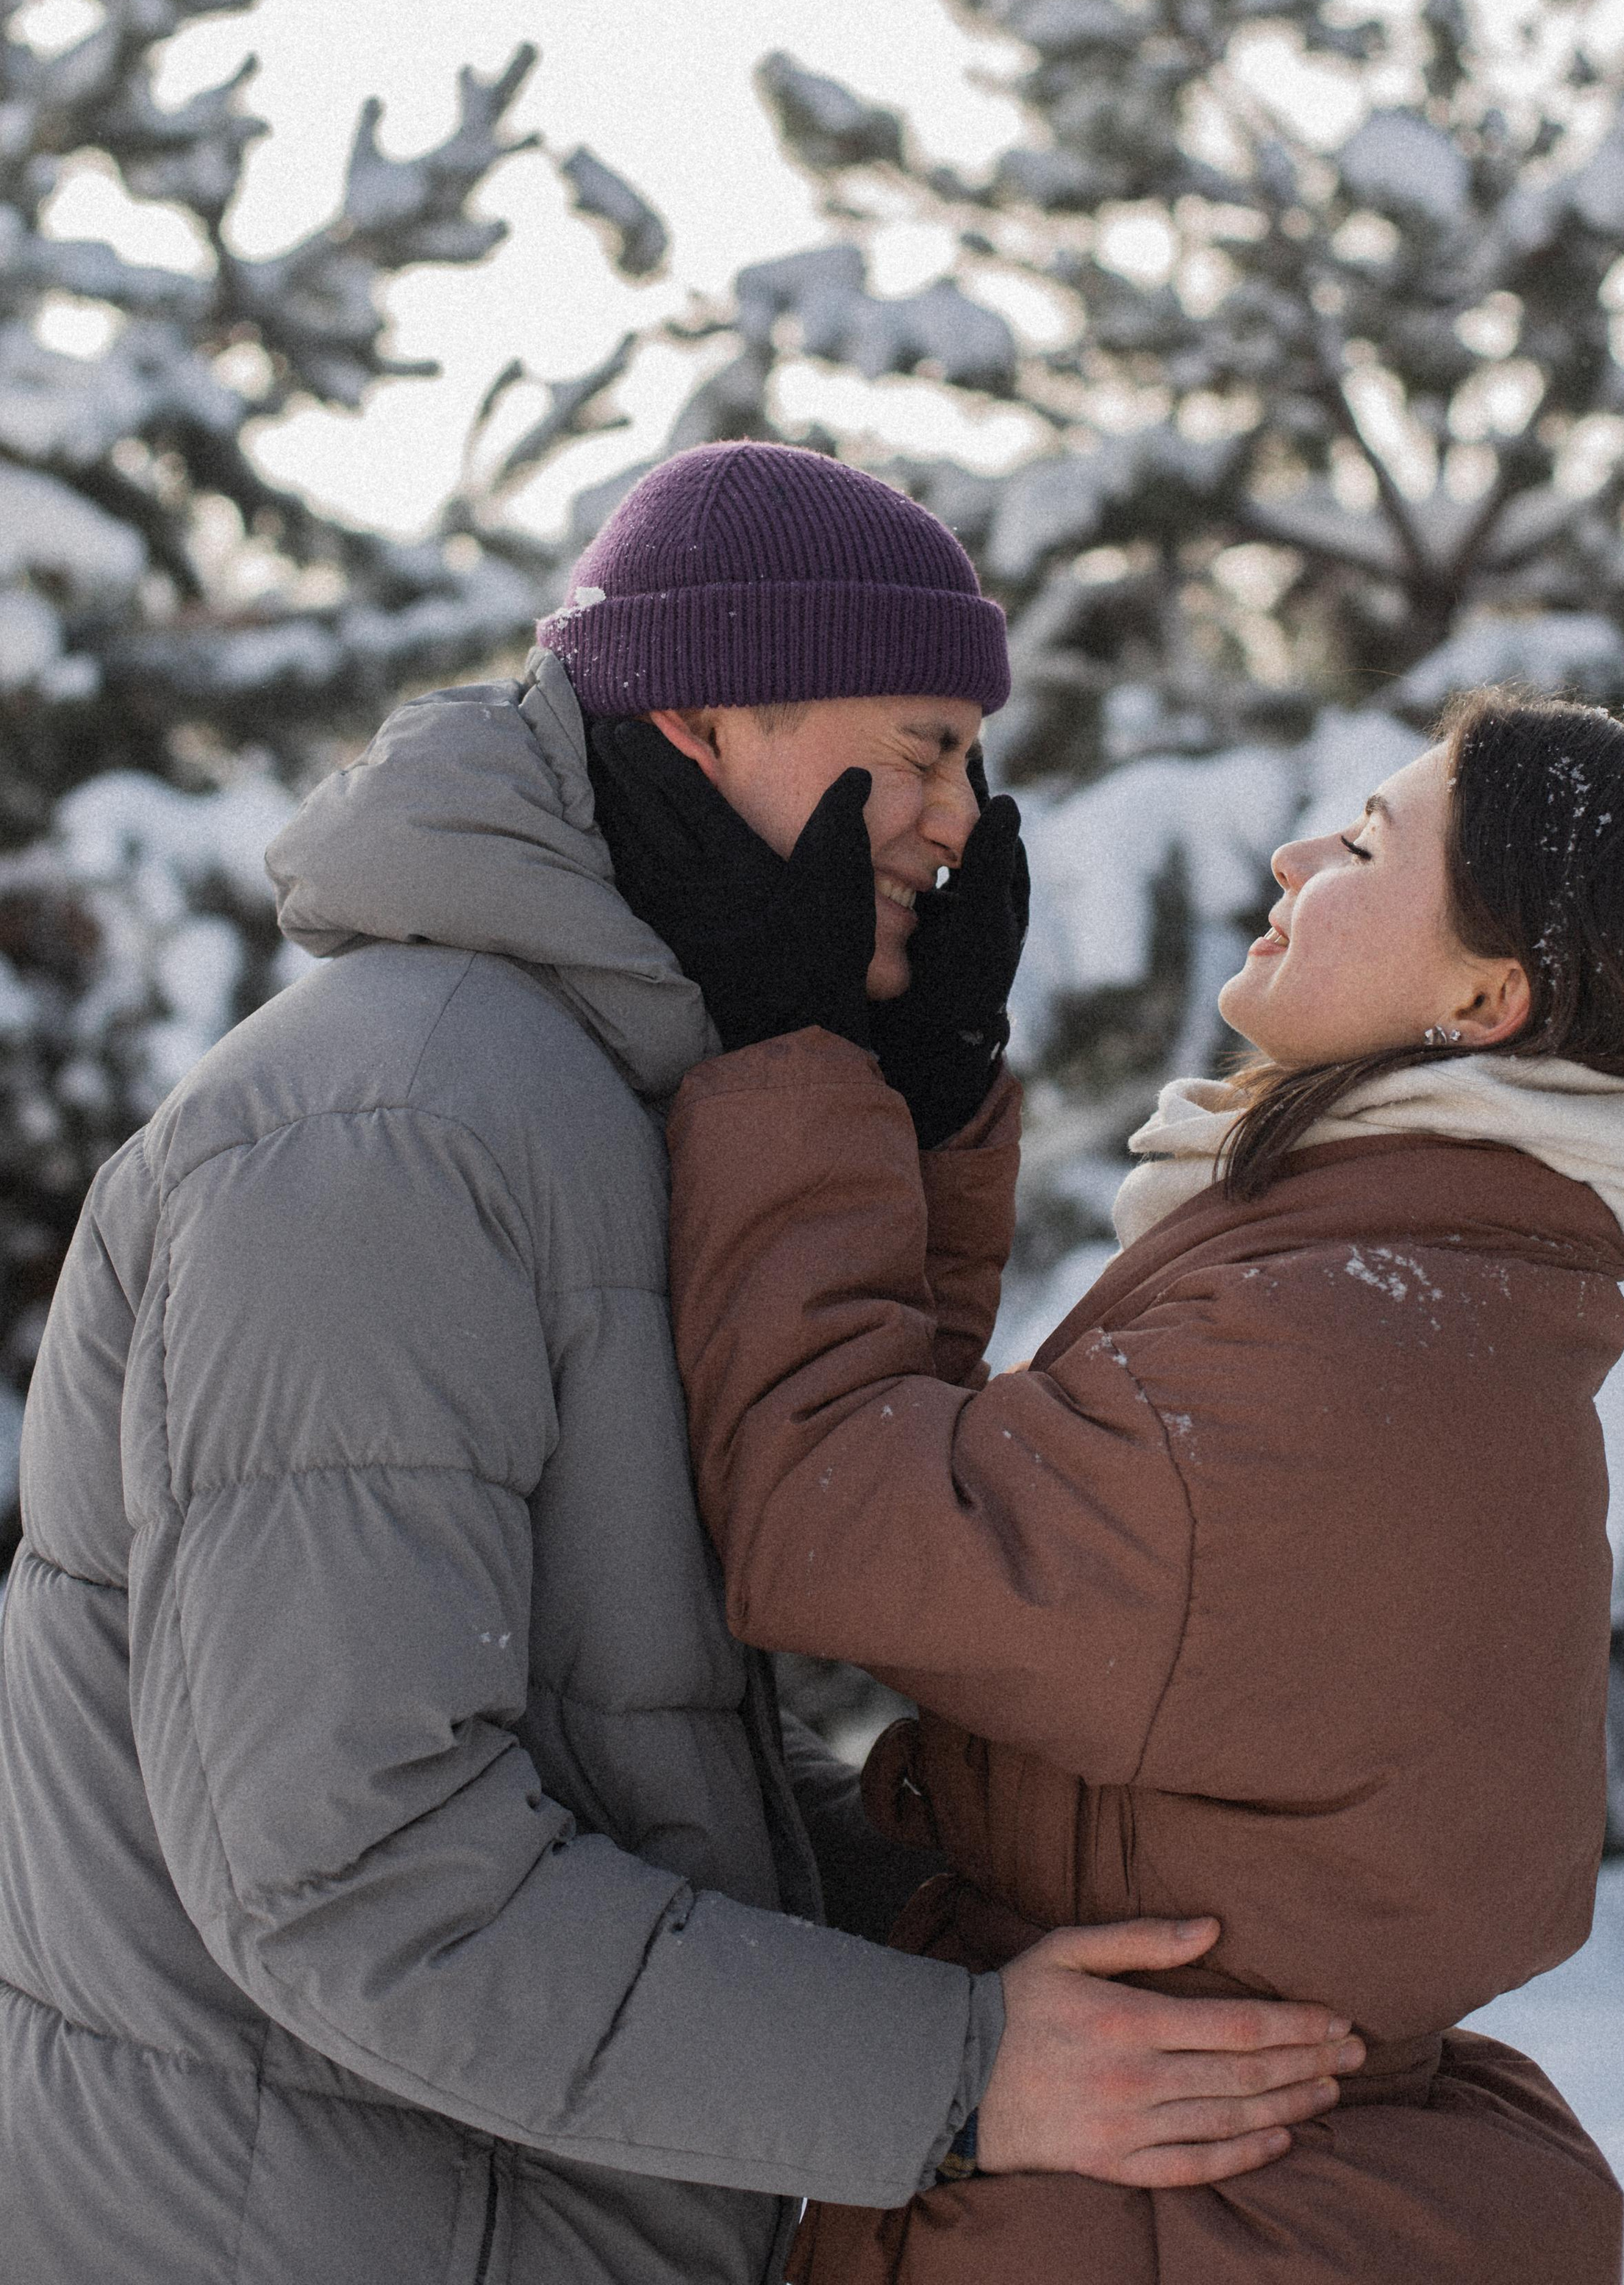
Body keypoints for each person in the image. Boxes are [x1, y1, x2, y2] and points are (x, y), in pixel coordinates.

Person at [0, 441, 1353, 2285]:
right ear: (702, 726)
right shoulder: (393, 1129)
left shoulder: (600, 1108)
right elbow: (355, 1874)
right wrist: (955, 2072)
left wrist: (908, 1115)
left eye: (975, 756)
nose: (960, 819)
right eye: (921, 744)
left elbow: (683, 1707)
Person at [659, 688, 1624, 2285]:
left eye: (1361, 843)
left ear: (1483, 996)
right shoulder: (1417, 1281)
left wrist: (805, 1065)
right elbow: (950, 1486)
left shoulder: (1343, 1347)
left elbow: (831, 1516)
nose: (1286, 856)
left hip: (1153, 2221)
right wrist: (922, 1109)